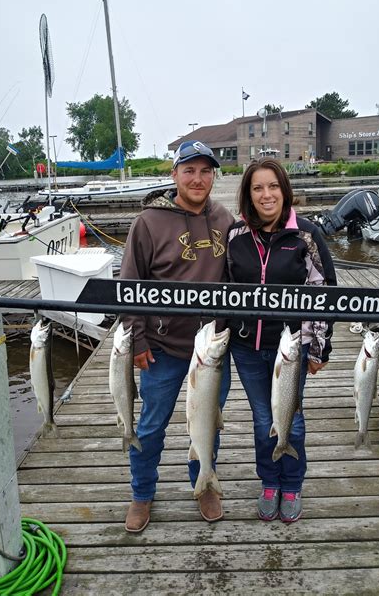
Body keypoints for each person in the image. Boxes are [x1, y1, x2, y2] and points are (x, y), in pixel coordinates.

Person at [120, 140, 234, 533]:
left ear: (213, 176)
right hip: (163, 350)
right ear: (175, 175)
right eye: (189, 170)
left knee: (209, 421)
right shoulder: (148, 223)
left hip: (213, 350)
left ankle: (203, 482)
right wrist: (136, 340)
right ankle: (142, 493)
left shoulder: (224, 219)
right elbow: (129, 285)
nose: (198, 179)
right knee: (151, 426)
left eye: (206, 171)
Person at [226, 157, 336, 523]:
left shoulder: (306, 234)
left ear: (284, 190)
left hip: (291, 350)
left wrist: (320, 347)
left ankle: (292, 483)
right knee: (262, 421)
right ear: (248, 194)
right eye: (258, 187)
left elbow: (324, 293)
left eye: (273, 186)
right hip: (247, 347)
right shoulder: (235, 235)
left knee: (293, 420)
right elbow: (224, 290)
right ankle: (269, 481)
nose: (266, 194)